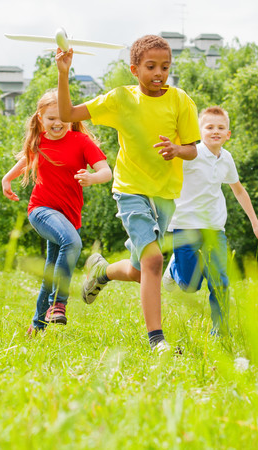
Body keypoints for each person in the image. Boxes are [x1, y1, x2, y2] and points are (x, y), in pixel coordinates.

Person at [57, 34, 200, 353]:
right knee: (154, 261)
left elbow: (193, 150)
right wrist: (64, 72)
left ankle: (101, 271)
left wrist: (177, 149)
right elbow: (68, 115)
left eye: (165, 66)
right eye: (151, 66)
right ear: (134, 69)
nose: (159, 73)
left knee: (140, 270)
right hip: (131, 190)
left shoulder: (180, 100)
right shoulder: (121, 99)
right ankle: (157, 341)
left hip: (164, 196)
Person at [2, 90, 111, 335]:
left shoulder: (81, 142)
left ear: (72, 118)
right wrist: (7, 178)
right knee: (72, 243)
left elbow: (106, 172)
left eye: (63, 116)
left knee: (51, 271)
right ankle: (58, 303)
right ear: (41, 118)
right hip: (41, 210)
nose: (57, 122)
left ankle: (36, 326)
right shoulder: (38, 141)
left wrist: (91, 178)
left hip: (69, 217)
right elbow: (25, 160)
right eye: (51, 118)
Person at [163, 106, 258, 335]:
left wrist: (256, 223)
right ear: (200, 130)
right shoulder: (191, 155)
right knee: (189, 285)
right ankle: (173, 268)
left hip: (214, 228)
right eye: (210, 127)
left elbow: (239, 191)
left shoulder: (226, 159)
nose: (215, 131)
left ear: (228, 134)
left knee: (220, 281)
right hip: (185, 226)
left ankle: (220, 329)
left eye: (221, 127)